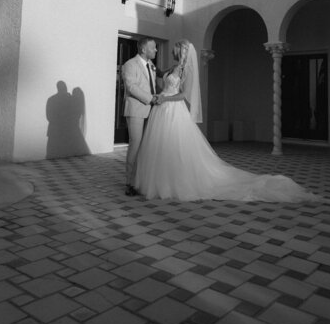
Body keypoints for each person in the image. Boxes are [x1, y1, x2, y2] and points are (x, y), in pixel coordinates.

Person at [135, 40, 319, 203]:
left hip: (173, 110)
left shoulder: (185, 71)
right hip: (162, 111)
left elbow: (183, 95)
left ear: (181, 52)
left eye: (176, 49)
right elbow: (161, 78)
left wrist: (164, 99)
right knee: (162, 147)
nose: (173, 52)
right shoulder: (171, 68)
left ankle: (175, 183)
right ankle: (163, 182)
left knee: (175, 147)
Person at [121, 37, 162, 196]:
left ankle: (141, 180)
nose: (156, 50)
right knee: (135, 144)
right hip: (136, 110)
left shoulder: (151, 65)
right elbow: (131, 87)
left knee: (146, 146)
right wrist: (150, 98)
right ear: (144, 49)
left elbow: (156, 81)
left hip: (151, 111)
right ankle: (129, 183)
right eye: (153, 48)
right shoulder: (129, 65)